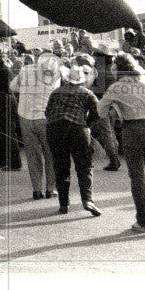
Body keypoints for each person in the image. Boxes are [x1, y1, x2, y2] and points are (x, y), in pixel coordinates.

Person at [97, 52, 145, 232]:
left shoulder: (116, 87)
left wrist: (114, 106)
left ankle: (143, 221)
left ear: (118, 68)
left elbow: (101, 111)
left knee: (137, 177)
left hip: (132, 129)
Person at [44, 64, 102, 217]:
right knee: (84, 167)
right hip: (77, 128)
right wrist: (86, 124)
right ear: (82, 81)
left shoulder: (55, 93)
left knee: (61, 167)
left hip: (55, 128)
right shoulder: (87, 93)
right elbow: (98, 111)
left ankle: (64, 204)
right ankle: (88, 200)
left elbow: (47, 112)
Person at [10, 51, 60, 199]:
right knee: (50, 153)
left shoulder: (26, 70)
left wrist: (25, 90)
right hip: (44, 117)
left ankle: (36, 189)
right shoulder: (54, 76)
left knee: (32, 154)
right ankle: (50, 188)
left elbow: (12, 87)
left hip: (25, 115)